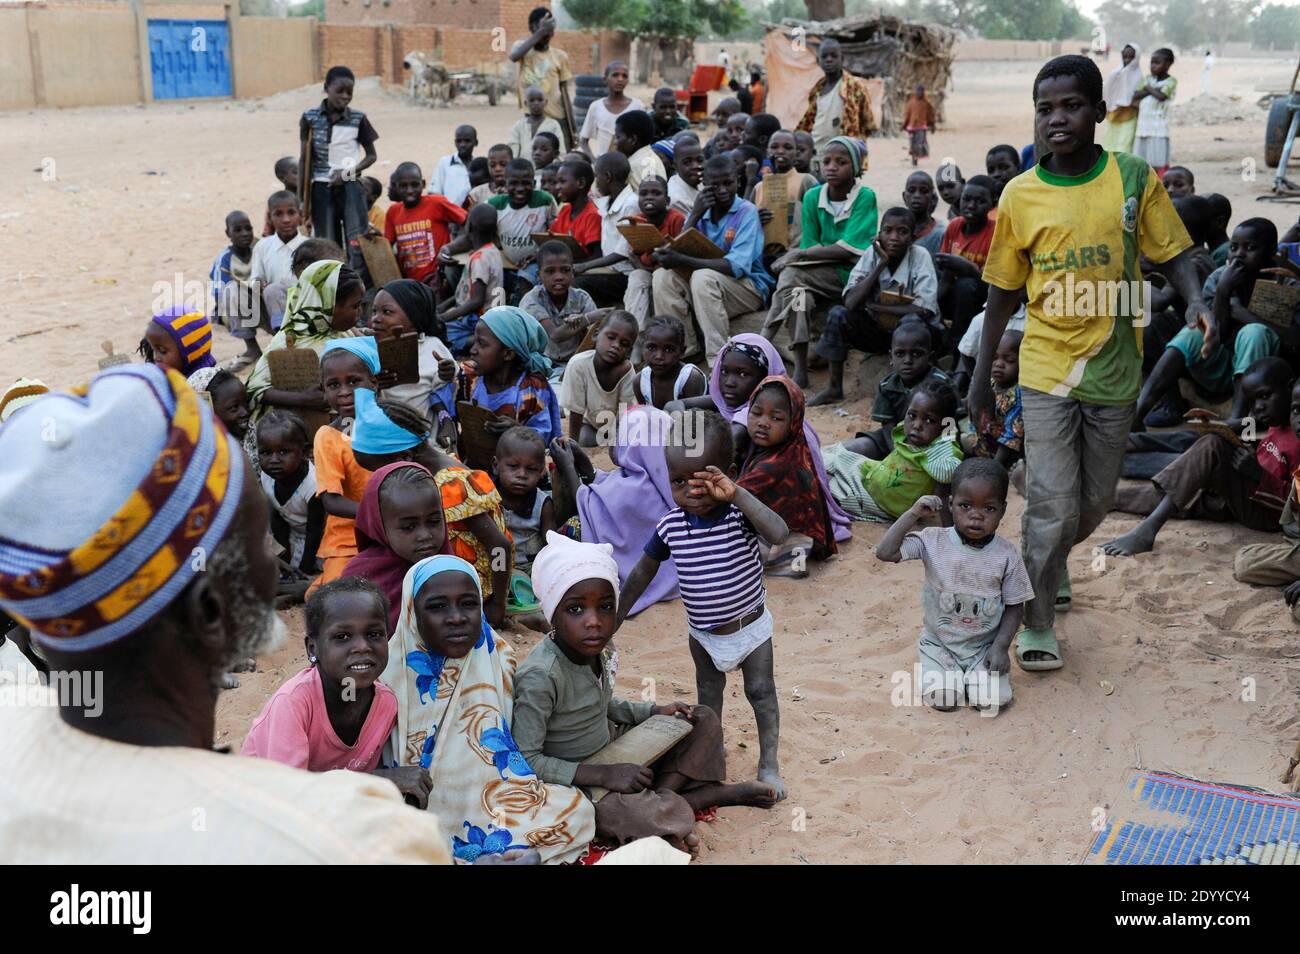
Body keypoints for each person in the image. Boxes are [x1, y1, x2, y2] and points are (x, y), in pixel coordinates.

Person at [0, 363, 450, 863]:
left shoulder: (10, 742)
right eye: (260, 542)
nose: (273, 563)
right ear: (212, 610)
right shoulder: (352, 839)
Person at [970, 55, 1211, 672]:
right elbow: (1001, 291)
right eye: (1045, 108)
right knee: (1051, 503)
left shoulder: (1132, 177)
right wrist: (977, 376)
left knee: (1093, 504)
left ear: (1101, 112)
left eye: (1072, 105)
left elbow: (1174, 252)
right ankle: (1038, 617)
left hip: (1114, 369)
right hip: (1047, 366)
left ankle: (1053, 560)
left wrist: (1196, 300)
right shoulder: (1019, 193)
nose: (1057, 119)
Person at [617, 410, 789, 799]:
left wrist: (739, 494)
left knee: (761, 693)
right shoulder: (671, 525)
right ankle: (713, 759)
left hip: (751, 628)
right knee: (708, 702)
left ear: (726, 473)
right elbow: (642, 572)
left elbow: (779, 532)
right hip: (703, 635)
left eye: (704, 480)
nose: (692, 492)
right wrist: (617, 617)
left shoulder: (738, 516)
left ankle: (769, 765)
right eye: (679, 481)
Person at [384, 554, 596, 862]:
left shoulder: (498, 656)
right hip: (425, 806)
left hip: (498, 798)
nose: (456, 617)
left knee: (578, 811)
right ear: (411, 612)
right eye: (437, 606)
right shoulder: (389, 675)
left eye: (468, 604)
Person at [243, 579, 427, 806]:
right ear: (313, 648)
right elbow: (287, 792)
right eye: (342, 637)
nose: (362, 646)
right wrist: (382, 780)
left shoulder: (387, 704)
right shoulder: (293, 703)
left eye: (374, 634)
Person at [875, 458, 1032, 712]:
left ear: (1003, 510)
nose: (976, 516)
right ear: (950, 504)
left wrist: (1001, 648)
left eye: (989, 509)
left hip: (984, 648)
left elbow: (1015, 605)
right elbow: (885, 553)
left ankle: (974, 678)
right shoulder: (933, 541)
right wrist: (913, 513)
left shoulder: (1006, 555)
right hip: (940, 645)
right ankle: (948, 674)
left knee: (990, 703)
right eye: (965, 505)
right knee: (945, 701)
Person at [1103, 359, 1300, 557]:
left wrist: (1258, 473)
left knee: (1210, 447)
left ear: (1290, 388)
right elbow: (1269, 457)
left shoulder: (1297, 434)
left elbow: (1294, 506)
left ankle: (1148, 529)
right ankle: (1109, 500)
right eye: (1252, 401)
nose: (1258, 407)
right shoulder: (1277, 422)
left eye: (1265, 396)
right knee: (1185, 492)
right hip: (1247, 493)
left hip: (1267, 514)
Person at [348, 395, 513, 629]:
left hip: (465, 590)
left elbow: (499, 546)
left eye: (378, 470)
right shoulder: (439, 467)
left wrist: (497, 604)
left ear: (403, 458)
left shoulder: (449, 485)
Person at [1133, 219, 1289, 427]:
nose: (1239, 254)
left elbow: (1294, 340)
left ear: (1271, 252)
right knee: (1195, 330)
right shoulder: (1218, 279)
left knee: (1253, 332)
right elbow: (1218, 334)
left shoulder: (1285, 284)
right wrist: (1224, 291)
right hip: (1217, 367)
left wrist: (1242, 314)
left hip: (1261, 377)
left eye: (1250, 248)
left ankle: (1238, 420)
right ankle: (1138, 412)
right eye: (1234, 247)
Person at [763, 136, 877, 387]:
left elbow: (850, 249)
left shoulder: (865, 196)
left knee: (791, 274)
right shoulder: (814, 197)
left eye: (841, 162)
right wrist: (807, 253)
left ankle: (763, 338)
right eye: (826, 161)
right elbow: (812, 243)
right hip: (817, 275)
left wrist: (798, 255)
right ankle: (801, 369)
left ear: (856, 167)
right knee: (798, 296)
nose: (832, 167)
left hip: (852, 276)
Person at [812, 211, 940, 408]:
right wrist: (881, 264)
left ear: (912, 238)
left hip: (912, 336)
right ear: (879, 235)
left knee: (911, 322)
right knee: (838, 314)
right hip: (878, 333)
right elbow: (851, 303)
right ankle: (834, 388)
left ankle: (906, 391)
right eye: (887, 231)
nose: (894, 238)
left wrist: (876, 306)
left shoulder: (920, 256)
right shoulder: (872, 254)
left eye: (902, 232)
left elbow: (925, 309)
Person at [653, 155, 773, 364]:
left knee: (702, 276)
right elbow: (678, 248)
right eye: (715, 186)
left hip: (748, 287)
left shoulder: (747, 212)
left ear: (737, 181)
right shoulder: (701, 212)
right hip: (709, 288)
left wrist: (682, 258)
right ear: (705, 186)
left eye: (728, 183)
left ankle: (718, 360)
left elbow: (735, 266)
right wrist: (694, 216)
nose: (723, 190)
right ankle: (685, 351)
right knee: (662, 276)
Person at [823, 378, 964, 523]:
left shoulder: (941, 454)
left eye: (929, 420)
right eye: (912, 415)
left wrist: (949, 532)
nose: (916, 425)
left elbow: (944, 494)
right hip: (870, 476)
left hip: (874, 503)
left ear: (946, 424)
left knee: (826, 484)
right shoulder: (912, 434)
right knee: (831, 458)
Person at [245, 260, 366, 420]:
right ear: (328, 306)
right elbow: (254, 389)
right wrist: (303, 399)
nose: (361, 312)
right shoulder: (290, 340)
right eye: (355, 306)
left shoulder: (347, 334)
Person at [740, 375, 837, 574]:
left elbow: (734, 494)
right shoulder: (786, 447)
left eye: (776, 418)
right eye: (757, 413)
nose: (763, 423)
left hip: (791, 543)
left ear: (793, 422)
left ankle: (787, 563)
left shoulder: (778, 463)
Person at [341, 460, 450, 631]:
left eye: (434, 522)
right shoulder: (360, 578)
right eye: (408, 527)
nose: (425, 535)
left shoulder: (452, 570)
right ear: (380, 526)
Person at [299, 66, 378, 284]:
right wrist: (301, 199)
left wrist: (348, 174)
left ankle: (358, 290)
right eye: (340, 91)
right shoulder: (309, 117)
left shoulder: (358, 118)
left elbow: (371, 156)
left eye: (349, 92)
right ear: (326, 88)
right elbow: (304, 159)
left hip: (351, 186)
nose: (345, 96)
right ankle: (333, 290)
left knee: (356, 241)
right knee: (327, 243)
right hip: (321, 189)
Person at [460, 305, 563, 448]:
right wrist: (445, 375)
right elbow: (446, 398)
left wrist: (517, 431)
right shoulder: (471, 378)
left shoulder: (532, 388)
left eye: (482, 344)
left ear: (508, 354)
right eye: (474, 342)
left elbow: (543, 437)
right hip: (476, 464)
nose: (473, 350)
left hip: (519, 465)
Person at [369, 279, 458, 437]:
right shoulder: (370, 349)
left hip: (422, 441)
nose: (376, 318)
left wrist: (447, 374)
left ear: (414, 317)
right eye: (374, 311)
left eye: (387, 312)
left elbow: (445, 390)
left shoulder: (432, 348)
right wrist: (374, 385)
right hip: (382, 439)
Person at [256, 409, 324, 580]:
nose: (274, 460)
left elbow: (315, 531)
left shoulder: (313, 486)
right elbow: (278, 518)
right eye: (266, 452)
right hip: (291, 532)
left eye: (283, 452)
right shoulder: (267, 476)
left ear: (305, 452)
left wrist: (303, 570)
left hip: (317, 539)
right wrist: (283, 558)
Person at [935, 174, 998, 351]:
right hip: (954, 294)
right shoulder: (955, 226)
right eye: (966, 199)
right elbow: (946, 274)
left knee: (966, 284)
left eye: (980, 201)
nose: (971, 205)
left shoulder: (995, 234)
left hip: (982, 298)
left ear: (992, 204)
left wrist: (969, 268)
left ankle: (957, 343)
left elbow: (994, 285)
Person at [560, 310, 638, 446]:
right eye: (611, 337)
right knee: (584, 439)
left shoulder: (627, 371)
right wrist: (573, 446)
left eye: (624, 344)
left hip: (614, 426)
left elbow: (626, 414)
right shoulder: (578, 365)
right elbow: (576, 412)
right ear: (596, 335)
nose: (616, 345)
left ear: (629, 351)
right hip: (588, 422)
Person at [521, 240, 601, 371]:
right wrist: (587, 318)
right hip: (540, 364)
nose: (559, 277)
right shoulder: (532, 300)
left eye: (565, 270)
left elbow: (595, 335)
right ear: (539, 276)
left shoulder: (582, 298)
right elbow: (555, 335)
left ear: (572, 273)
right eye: (550, 271)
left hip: (576, 363)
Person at [383, 161, 467, 287]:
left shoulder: (436, 203)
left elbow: (468, 221)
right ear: (396, 187)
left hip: (436, 278)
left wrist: (453, 246)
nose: (410, 190)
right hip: (410, 283)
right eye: (403, 186)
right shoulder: (393, 212)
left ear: (423, 184)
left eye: (415, 185)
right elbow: (386, 245)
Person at [623, 175, 687, 334]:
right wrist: (644, 262)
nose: (649, 197)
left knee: (660, 274)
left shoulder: (676, 219)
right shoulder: (637, 221)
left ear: (667, 200)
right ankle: (637, 335)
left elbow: (676, 257)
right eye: (643, 194)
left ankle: (670, 334)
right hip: (647, 271)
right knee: (636, 277)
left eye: (656, 193)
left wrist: (648, 260)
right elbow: (634, 255)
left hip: (672, 276)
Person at [245, 190, 307, 356]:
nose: (286, 219)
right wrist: (259, 285)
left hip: (304, 306)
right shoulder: (263, 246)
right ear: (270, 218)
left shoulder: (309, 245)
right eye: (278, 214)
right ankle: (282, 336)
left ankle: (292, 336)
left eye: (291, 213)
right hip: (274, 307)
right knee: (238, 292)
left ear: (299, 215)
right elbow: (255, 279)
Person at [437, 203, 504, 353]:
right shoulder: (493, 251)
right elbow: (466, 293)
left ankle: (477, 340)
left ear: (470, 226)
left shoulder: (479, 258)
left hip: (478, 319)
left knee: (442, 335)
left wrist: (443, 317)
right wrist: (443, 307)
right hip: (491, 316)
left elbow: (476, 301)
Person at [487, 158, 557, 300]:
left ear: (534, 183)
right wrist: (499, 247)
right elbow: (484, 228)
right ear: (505, 184)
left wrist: (538, 254)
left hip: (536, 262)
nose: (520, 189)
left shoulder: (545, 201)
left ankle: (523, 313)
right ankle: (496, 312)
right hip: (507, 262)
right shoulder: (495, 204)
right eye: (513, 183)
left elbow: (555, 232)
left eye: (526, 183)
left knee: (526, 280)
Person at [573, 152, 637, 307]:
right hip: (609, 270)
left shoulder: (631, 204)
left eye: (597, 177)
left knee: (578, 284)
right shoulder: (607, 202)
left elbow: (623, 252)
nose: (596, 183)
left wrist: (585, 266)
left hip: (624, 273)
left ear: (607, 177)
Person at [796, 38, 876, 157]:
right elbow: (810, 121)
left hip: (844, 155)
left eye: (834, 56)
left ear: (842, 59)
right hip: (817, 152)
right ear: (818, 61)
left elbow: (868, 122)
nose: (829, 59)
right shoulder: (817, 90)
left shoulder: (855, 87)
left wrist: (855, 140)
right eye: (824, 56)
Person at [494, 426, 554, 576]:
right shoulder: (487, 499)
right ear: (496, 466)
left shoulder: (543, 504)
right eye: (513, 466)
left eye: (531, 469)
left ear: (541, 472)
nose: (522, 474)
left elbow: (551, 545)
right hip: (495, 564)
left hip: (529, 568)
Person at [510, 7, 574, 143]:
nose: (547, 33)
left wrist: (572, 127)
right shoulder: (523, 49)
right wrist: (541, 32)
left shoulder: (560, 56)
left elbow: (565, 93)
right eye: (542, 27)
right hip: (532, 116)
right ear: (531, 28)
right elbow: (514, 56)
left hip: (557, 116)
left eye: (550, 28)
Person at [967, 330, 1024, 469]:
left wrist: (994, 468)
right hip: (983, 447)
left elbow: (1010, 440)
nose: (999, 364)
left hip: (1005, 459)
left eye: (1009, 360)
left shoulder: (1018, 395)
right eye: (994, 358)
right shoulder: (988, 383)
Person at [210, 210, 259, 367]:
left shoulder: (260, 249)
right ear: (228, 233)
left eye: (248, 228)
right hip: (236, 306)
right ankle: (252, 347)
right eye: (237, 230)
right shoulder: (224, 258)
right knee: (232, 291)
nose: (244, 234)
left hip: (261, 300)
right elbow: (220, 291)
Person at [634, 314, 707, 408]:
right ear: (643, 347)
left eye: (669, 350)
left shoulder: (690, 379)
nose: (659, 356)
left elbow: (696, 420)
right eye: (651, 348)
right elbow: (646, 416)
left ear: (682, 351)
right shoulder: (640, 382)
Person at [579, 60, 641, 157]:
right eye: (615, 75)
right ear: (605, 79)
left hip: (629, 163)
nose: (620, 79)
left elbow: (643, 141)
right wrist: (595, 162)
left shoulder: (637, 106)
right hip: (603, 164)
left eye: (624, 76)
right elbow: (583, 141)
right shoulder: (596, 107)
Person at [1132, 48, 1177, 176]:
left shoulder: (1171, 81)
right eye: (1152, 62)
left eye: (1157, 63)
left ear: (1168, 64)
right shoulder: (1148, 79)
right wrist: (1152, 89)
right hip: (1143, 127)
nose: (1153, 66)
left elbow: (1162, 96)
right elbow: (1135, 95)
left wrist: (1147, 89)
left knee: (1158, 162)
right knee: (1141, 161)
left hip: (1159, 128)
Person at [138, 306, 215, 377]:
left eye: (162, 351)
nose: (155, 357)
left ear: (191, 351)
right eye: (152, 349)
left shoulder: (205, 388)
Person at [550, 158, 602, 262]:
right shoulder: (565, 210)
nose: (557, 187)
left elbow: (597, 255)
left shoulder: (592, 214)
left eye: (562, 182)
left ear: (581, 183)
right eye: (556, 182)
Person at [1101, 43, 1143, 154]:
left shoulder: (1138, 76)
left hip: (1129, 115)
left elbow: (1137, 95)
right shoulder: (1115, 72)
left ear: (1136, 57)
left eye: (1131, 57)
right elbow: (1107, 90)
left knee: (1125, 143)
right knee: (1110, 141)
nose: (1127, 60)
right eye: (1125, 57)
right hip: (1113, 113)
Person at [509, 85, 568, 161]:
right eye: (532, 100)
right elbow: (513, 151)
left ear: (545, 102)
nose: (536, 103)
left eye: (540, 100)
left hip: (547, 170)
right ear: (526, 103)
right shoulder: (518, 126)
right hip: (523, 170)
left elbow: (561, 153)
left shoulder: (553, 125)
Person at [429, 124, 477, 207]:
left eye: (467, 141)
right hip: (450, 215)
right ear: (455, 143)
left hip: (475, 214)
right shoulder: (445, 163)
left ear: (476, 143)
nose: (462, 145)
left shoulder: (479, 164)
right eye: (459, 141)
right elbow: (434, 194)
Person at [904, 170, 947, 259]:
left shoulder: (941, 233)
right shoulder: (895, 228)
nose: (916, 195)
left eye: (923, 191)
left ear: (933, 198)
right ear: (904, 197)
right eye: (911, 190)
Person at [464, 143, 511, 209]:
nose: (498, 169)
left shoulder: (519, 192)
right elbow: (466, 216)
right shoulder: (475, 195)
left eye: (503, 164)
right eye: (492, 165)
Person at [261, 156, 299, 237]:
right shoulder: (277, 201)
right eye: (296, 172)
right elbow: (268, 229)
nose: (301, 175)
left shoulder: (310, 198)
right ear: (282, 178)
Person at [669, 134, 704, 215]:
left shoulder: (702, 181)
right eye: (687, 162)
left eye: (700, 160)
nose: (695, 166)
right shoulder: (676, 200)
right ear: (675, 166)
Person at [902, 84, 936, 166]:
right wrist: (904, 125)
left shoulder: (926, 103)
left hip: (921, 127)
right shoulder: (911, 102)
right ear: (915, 92)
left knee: (919, 143)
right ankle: (914, 157)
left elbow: (930, 115)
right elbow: (907, 115)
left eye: (921, 91)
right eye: (918, 91)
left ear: (923, 92)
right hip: (911, 127)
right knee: (912, 143)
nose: (919, 93)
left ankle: (916, 157)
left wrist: (932, 125)